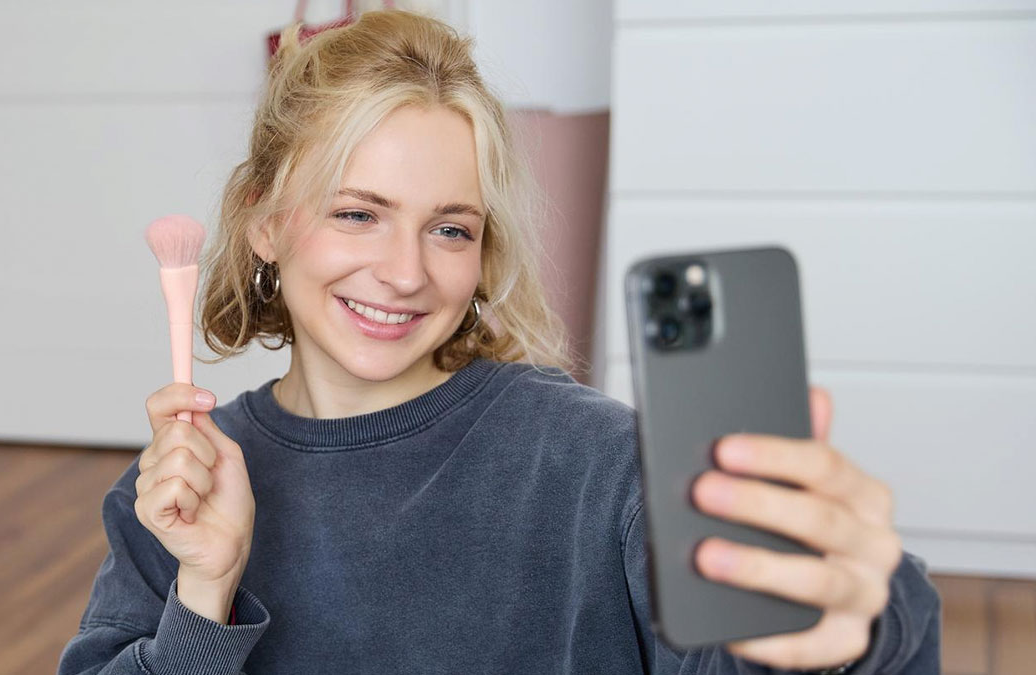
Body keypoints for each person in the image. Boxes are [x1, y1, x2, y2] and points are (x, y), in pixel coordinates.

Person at [58, 9, 941, 674]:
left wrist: (861, 628)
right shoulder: (177, 495)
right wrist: (203, 598)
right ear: (264, 223)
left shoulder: (602, 465)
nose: (405, 272)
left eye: (450, 229)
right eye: (358, 213)